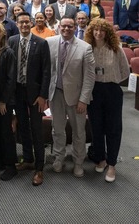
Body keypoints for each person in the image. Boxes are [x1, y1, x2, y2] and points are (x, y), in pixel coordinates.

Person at [47, 17, 95, 178]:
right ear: (58, 26)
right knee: (57, 129)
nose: (66, 29)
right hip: (56, 94)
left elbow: (89, 77)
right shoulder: (50, 42)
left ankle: (78, 162)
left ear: (75, 27)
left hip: (76, 98)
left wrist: (84, 99)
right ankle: (59, 158)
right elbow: (47, 71)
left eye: (70, 26)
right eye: (64, 26)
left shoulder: (85, 47)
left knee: (79, 132)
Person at [9, 12, 51, 186]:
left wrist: (43, 96)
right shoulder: (11, 41)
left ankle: (39, 168)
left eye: (27, 22)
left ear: (31, 23)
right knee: (23, 128)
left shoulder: (41, 43)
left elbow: (47, 71)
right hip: (17, 91)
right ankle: (28, 159)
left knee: (36, 130)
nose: (24, 25)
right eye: (21, 22)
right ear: (17, 23)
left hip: (35, 95)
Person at [84, 19, 129, 182]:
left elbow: (125, 71)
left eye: (102, 30)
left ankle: (111, 165)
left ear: (107, 32)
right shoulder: (87, 48)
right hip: (94, 90)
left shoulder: (116, 48)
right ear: (91, 31)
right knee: (96, 126)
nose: (98, 33)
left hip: (112, 91)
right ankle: (100, 159)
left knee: (113, 128)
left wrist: (111, 78)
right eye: (95, 30)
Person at [0, 22, 18, 181]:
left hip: (4, 99)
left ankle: (10, 165)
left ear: (3, 33)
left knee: (6, 132)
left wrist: (3, 101)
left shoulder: (8, 52)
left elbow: (10, 79)